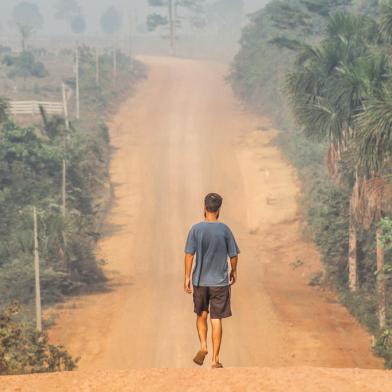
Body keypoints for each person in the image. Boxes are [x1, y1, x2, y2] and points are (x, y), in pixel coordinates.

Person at [184, 193, 240, 369]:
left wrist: (187, 277)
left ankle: (203, 346)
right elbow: (233, 255)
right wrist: (234, 271)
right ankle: (215, 360)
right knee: (216, 319)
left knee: (201, 314)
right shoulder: (225, 230)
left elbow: (189, 254)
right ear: (219, 210)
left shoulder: (196, 229)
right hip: (220, 283)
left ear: (204, 207)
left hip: (200, 281)